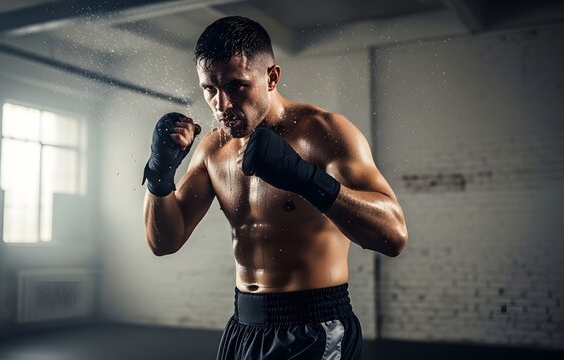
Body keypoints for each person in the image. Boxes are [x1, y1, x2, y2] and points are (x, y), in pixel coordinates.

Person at [142, 16, 408, 360]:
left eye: (237, 86)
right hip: (243, 328)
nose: (222, 105)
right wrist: (160, 173)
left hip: (314, 328)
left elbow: (394, 236)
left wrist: (304, 178)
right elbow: (164, 242)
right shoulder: (213, 148)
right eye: (210, 89)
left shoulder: (324, 133)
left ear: (271, 77)